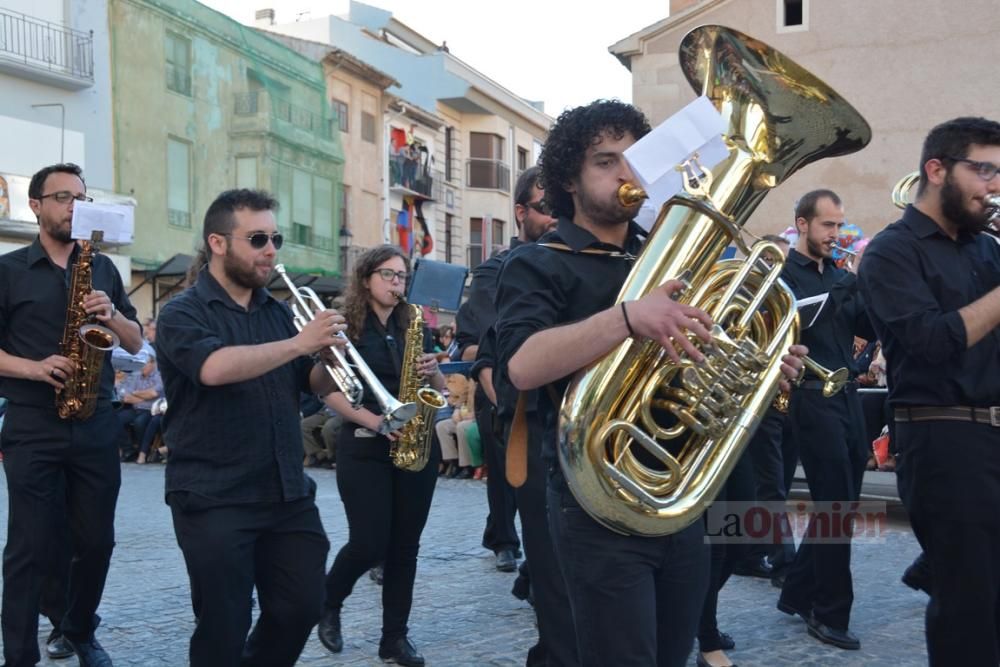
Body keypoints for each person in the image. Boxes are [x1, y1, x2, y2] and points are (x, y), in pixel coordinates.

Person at [494, 100, 806, 667]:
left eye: (634, 161)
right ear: (569, 177)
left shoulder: (668, 266)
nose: (625, 174)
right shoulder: (539, 263)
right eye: (605, 162)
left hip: (675, 500)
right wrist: (627, 318)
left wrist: (758, 370)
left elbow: (695, 373)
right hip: (591, 503)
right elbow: (521, 365)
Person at [156, 189, 344, 667]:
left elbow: (311, 382)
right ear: (218, 243)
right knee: (224, 623)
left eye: (275, 238)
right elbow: (214, 368)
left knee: (301, 605)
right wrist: (300, 343)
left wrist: (330, 358)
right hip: (214, 494)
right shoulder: (182, 312)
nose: (271, 250)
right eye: (258, 238)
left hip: (285, 493)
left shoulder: (276, 312)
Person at [859, 116, 1000, 665]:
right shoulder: (892, 251)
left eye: (998, 173)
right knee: (967, 608)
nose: (993, 185)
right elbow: (932, 341)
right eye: (982, 170)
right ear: (936, 169)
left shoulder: (987, 249)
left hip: (990, 434)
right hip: (942, 438)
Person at [0, 162, 143, 667]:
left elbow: (137, 341)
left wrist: (114, 315)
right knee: (28, 546)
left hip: (96, 420)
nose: (72, 207)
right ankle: (18, 655)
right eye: (61, 197)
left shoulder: (102, 268)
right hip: (32, 422)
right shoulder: (9, 270)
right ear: (35, 206)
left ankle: (78, 629)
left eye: (80, 197)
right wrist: (34, 368)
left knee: (97, 542)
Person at [317, 244, 445, 667]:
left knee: (405, 548)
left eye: (402, 277)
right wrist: (376, 422)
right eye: (388, 275)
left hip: (415, 446)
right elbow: (326, 389)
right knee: (370, 542)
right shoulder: (345, 327)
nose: (396, 284)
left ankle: (395, 639)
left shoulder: (415, 325)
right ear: (366, 279)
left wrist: (434, 371)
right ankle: (329, 600)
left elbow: (439, 389)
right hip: (365, 442)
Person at [777, 189, 875, 651]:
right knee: (835, 505)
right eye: (827, 226)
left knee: (842, 503)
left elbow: (867, 330)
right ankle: (829, 612)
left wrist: (866, 287)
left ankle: (798, 591)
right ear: (802, 224)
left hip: (849, 396)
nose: (836, 234)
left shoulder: (841, 276)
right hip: (810, 398)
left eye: (840, 226)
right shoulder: (782, 278)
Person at [457, 165, 558, 576]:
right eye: (546, 207)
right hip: (503, 393)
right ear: (521, 213)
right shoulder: (493, 272)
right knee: (504, 476)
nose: (554, 217)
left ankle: (535, 574)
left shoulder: (562, 265)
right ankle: (503, 539)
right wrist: (502, 396)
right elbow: (479, 345)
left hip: (548, 398)